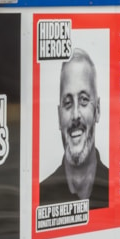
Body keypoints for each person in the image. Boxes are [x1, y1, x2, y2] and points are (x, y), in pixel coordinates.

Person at [39, 49, 109, 208]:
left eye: (84, 100)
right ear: (59, 116)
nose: (75, 115)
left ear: (97, 110)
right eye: (68, 103)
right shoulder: (41, 197)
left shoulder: (117, 189)